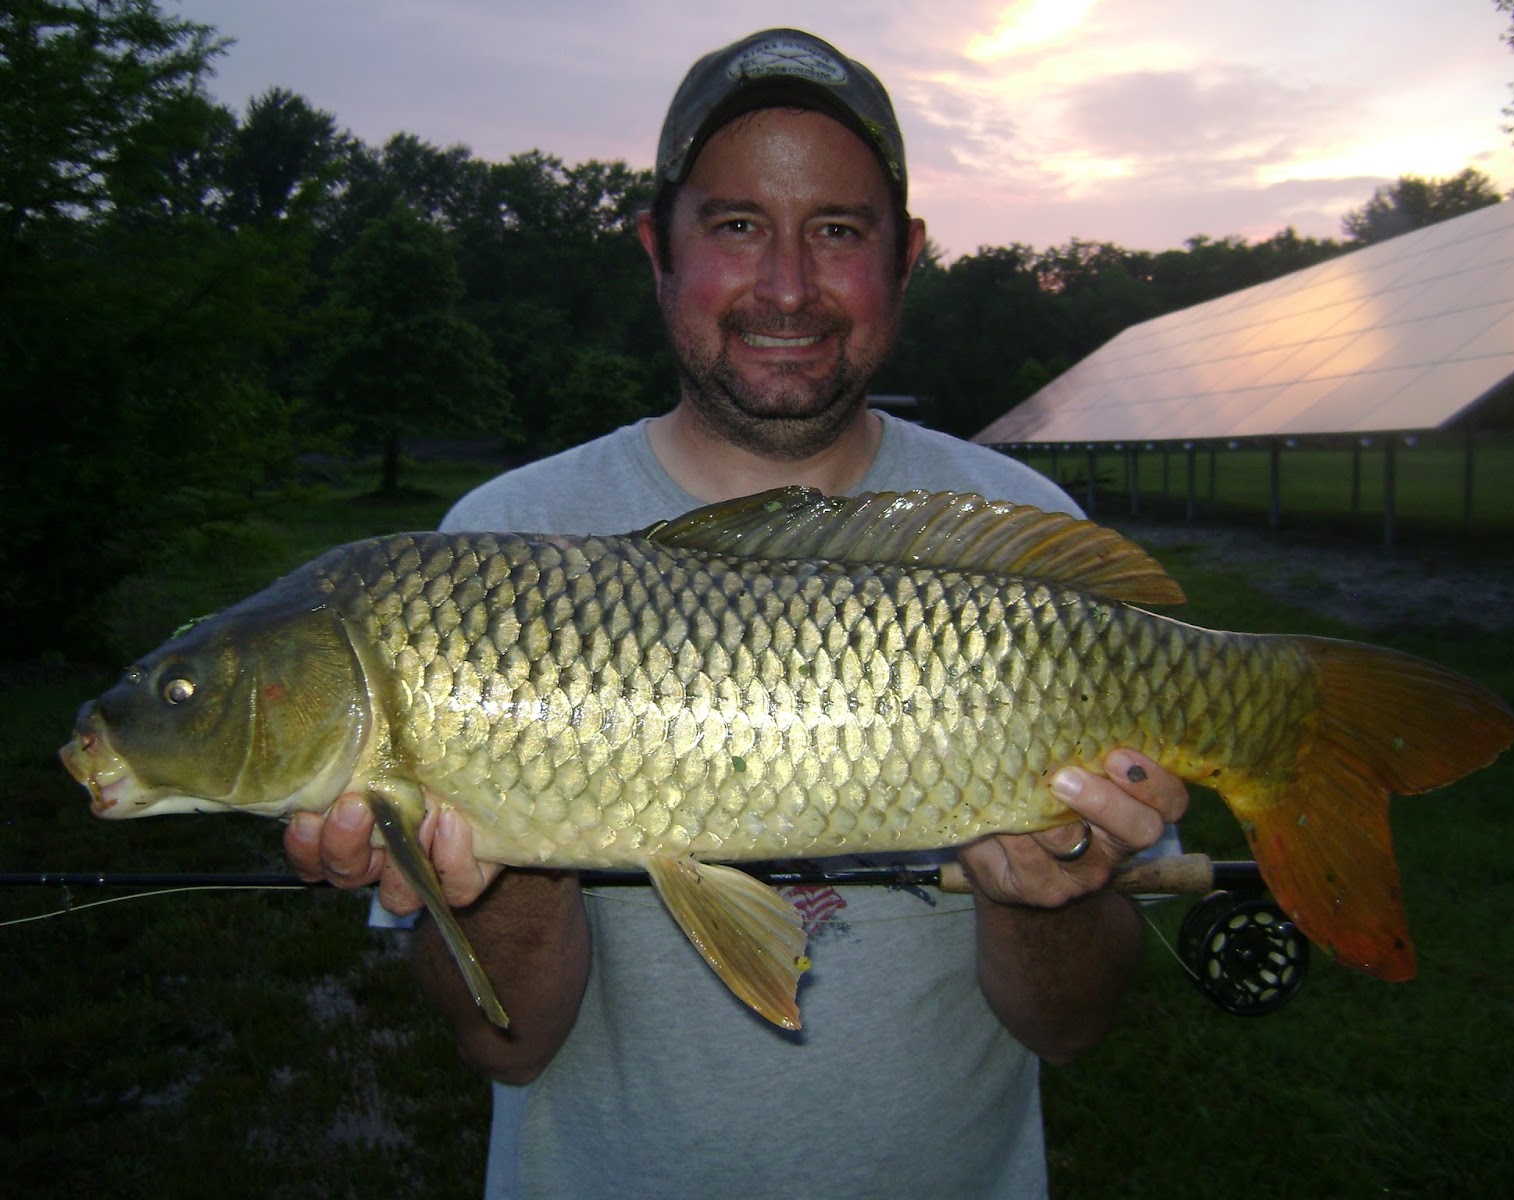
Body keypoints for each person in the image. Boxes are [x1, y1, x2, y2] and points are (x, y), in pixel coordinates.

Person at [286, 28, 1188, 1200]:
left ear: (905, 257)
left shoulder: (1020, 538)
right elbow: (505, 1043)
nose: (787, 287)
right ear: (656, 249)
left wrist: (1050, 902)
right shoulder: (488, 549)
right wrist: (503, 865)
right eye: (735, 225)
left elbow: (1068, 1029)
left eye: (838, 230)